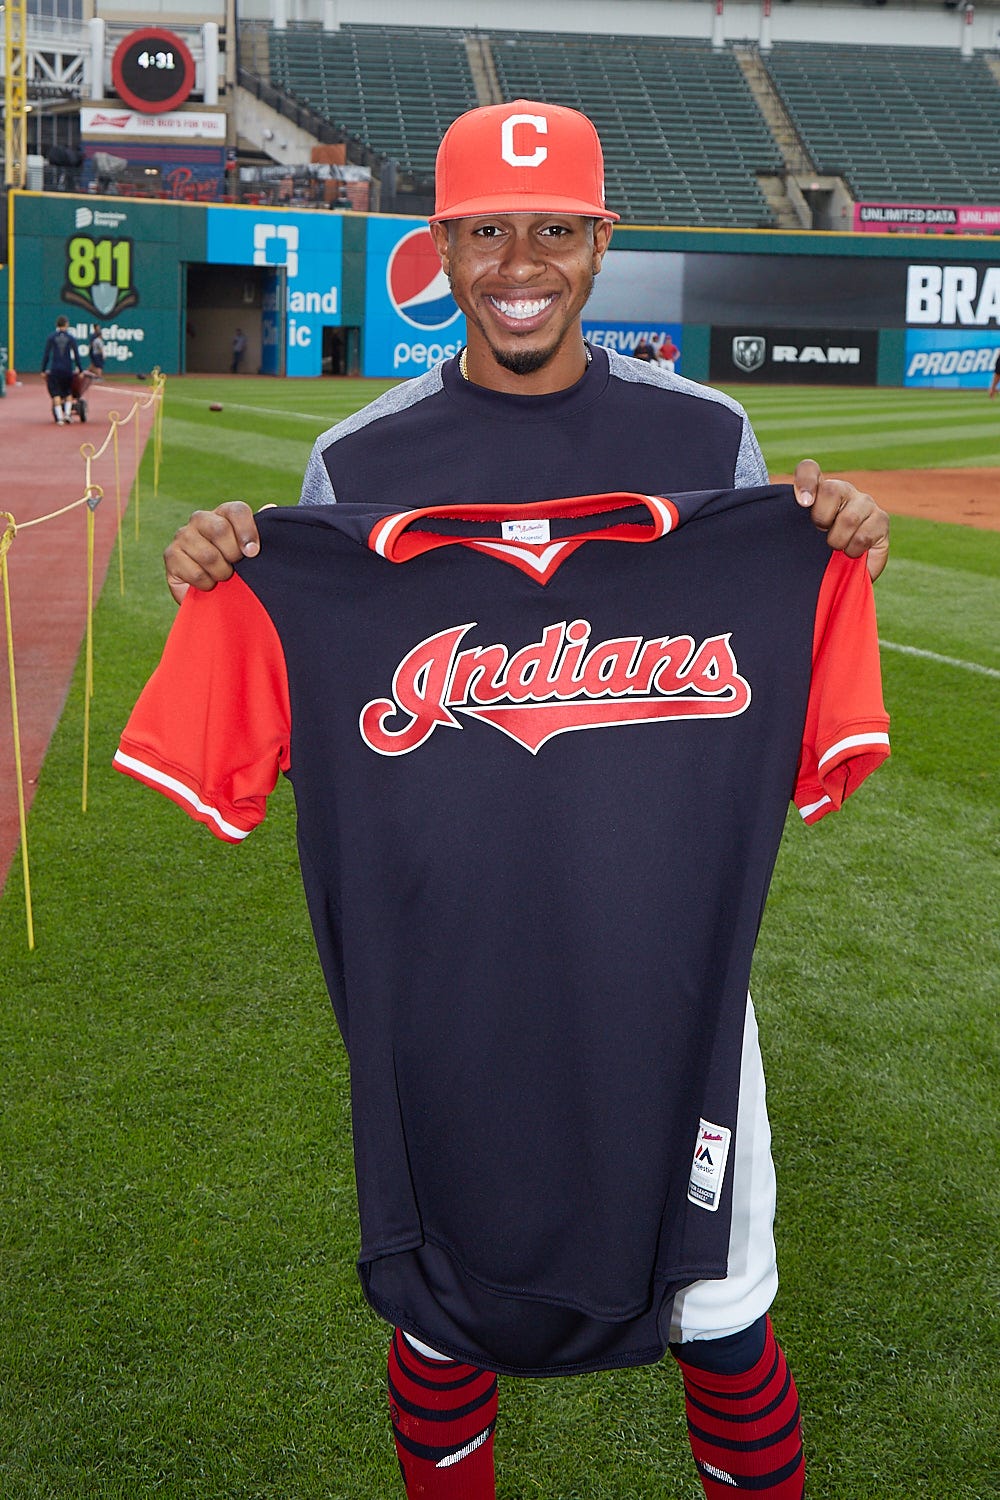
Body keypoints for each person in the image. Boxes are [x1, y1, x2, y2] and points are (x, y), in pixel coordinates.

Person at [147, 101, 892, 1500]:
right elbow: (332, 734)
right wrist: (231, 579)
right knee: (440, 1320)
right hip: (446, 982)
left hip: (669, 986)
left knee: (723, 1323)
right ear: (441, 249)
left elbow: (764, 672)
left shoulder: (707, 440)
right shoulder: (357, 470)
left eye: (556, 229)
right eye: (487, 230)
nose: (520, 261)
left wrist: (843, 546)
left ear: (603, 243)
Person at [41, 314, 82, 425]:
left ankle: (59, 418)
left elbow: (47, 355)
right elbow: (76, 355)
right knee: (68, 392)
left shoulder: (52, 337)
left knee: (56, 394)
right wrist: (81, 370)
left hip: (55, 370)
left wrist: (43, 370)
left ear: (57, 325)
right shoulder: (70, 338)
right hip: (67, 369)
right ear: (66, 324)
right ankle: (68, 415)